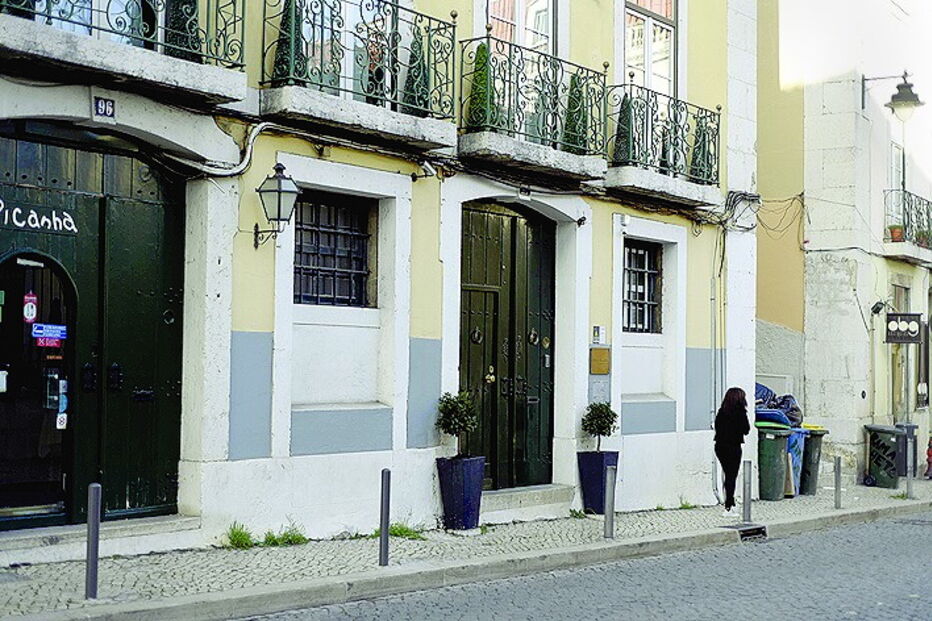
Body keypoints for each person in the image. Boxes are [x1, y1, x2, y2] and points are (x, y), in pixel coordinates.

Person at [715, 387, 751, 517]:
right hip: (733, 447)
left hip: (720, 446)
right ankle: (729, 506)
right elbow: (746, 429)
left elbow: (717, 427)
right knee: (732, 476)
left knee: (727, 474)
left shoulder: (721, 412)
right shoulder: (740, 413)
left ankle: (729, 503)